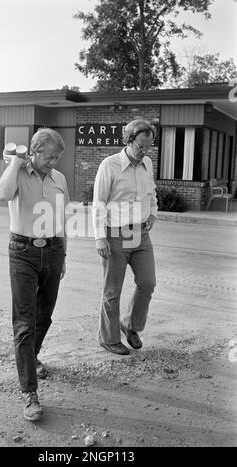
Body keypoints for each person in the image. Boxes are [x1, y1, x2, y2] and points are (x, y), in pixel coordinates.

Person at [0, 128, 69, 421]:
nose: (54, 162)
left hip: (52, 249)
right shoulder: (18, 172)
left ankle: (29, 358)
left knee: (44, 317)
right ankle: (29, 393)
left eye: (57, 158)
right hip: (22, 251)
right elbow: (1, 194)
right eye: (50, 157)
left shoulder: (59, 179)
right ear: (35, 151)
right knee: (24, 323)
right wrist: (14, 161)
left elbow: (62, 218)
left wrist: (64, 255)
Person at [92, 119, 157, 356]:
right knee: (112, 291)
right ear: (128, 141)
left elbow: (151, 192)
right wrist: (100, 237)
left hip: (140, 233)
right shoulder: (109, 166)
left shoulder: (147, 163)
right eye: (140, 146)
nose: (144, 151)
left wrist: (152, 213)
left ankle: (130, 325)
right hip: (115, 234)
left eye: (148, 146)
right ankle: (108, 338)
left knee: (147, 282)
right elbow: (98, 203)